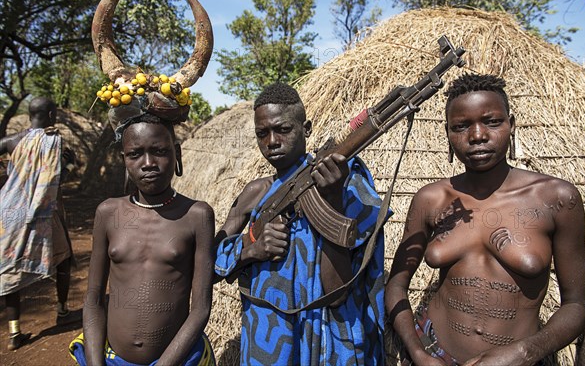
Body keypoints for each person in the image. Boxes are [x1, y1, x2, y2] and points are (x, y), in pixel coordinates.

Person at [385, 73, 585, 365]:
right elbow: (395, 286)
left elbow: (577, 305)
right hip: (434, 354)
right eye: (461, 126)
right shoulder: (432, 199)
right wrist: (418, 352)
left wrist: (525, 352)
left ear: (512, 125)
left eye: (492, 121)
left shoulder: (557, 199)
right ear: (447, 133)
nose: (477, 136)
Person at [214, 82, 390, 365]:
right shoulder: (254, 193)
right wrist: (250, 249)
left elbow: (337, 293)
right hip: (270, 341)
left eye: (283, 130)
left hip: (330, 339)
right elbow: (210, 264)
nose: (272, 141)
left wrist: (332, 200)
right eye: (263, 133)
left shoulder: (347, 184)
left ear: (306, 129)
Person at [71, 114, 215, 365]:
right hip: (112, 359)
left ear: (177, 153)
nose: (148, 163)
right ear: (124, 159)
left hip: (178, 359)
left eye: (159, 151)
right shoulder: (108, 213)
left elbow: (200, 309)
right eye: (135, 154)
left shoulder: (197, 216)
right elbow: (93, 301)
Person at [0, 97, 76, 351]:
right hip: (41, 212)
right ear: (52, 114)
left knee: (9, 268)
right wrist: (70, 161)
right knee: (64, 258)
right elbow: (55, 181)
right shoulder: (53, 141)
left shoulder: (11, 141)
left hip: (8, 212)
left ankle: (14, 332)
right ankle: (63, 311)